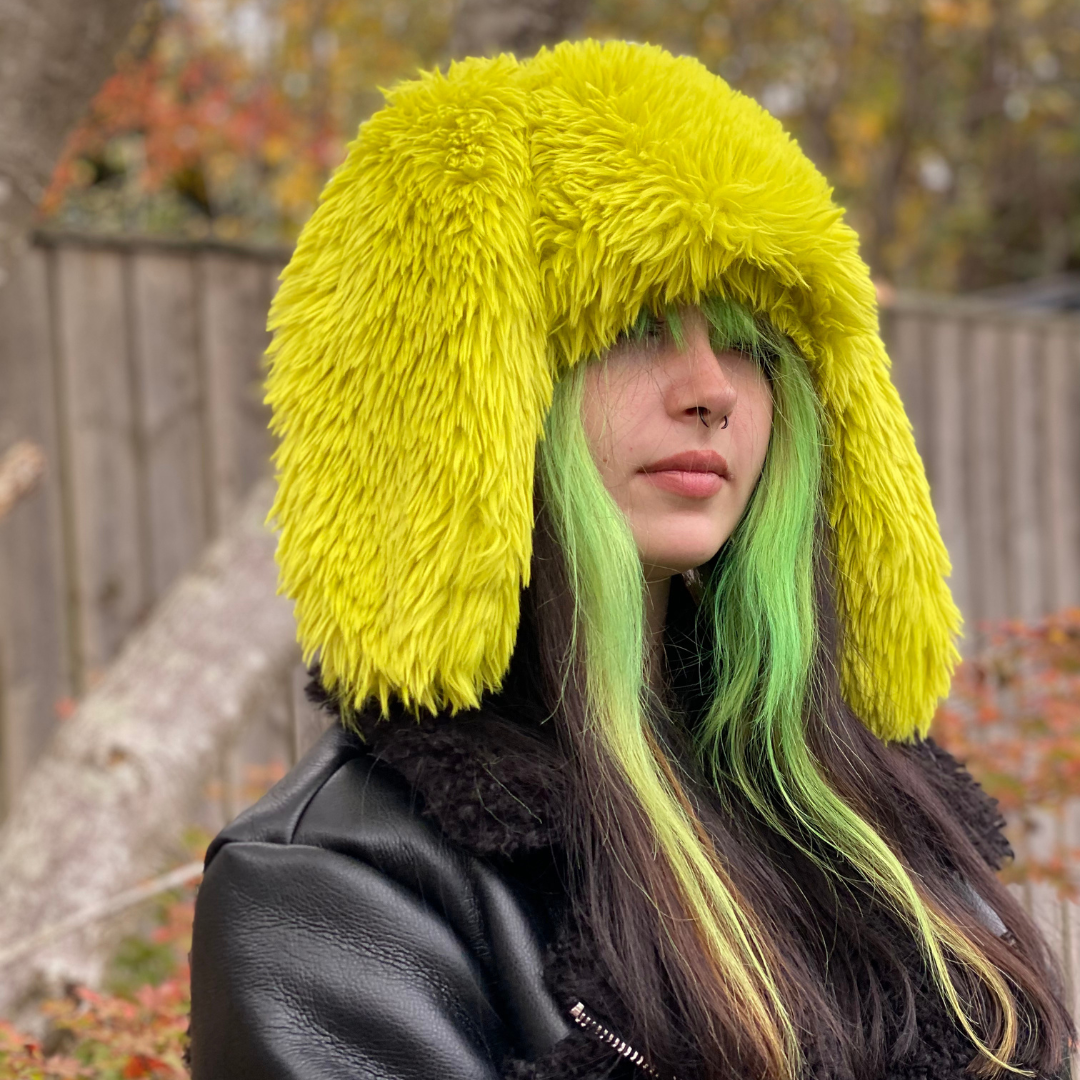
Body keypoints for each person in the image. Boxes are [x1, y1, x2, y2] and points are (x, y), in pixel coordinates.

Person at [188, 38, 1074, 1080]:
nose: (713, 389)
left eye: (749, 340)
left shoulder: (863, 804)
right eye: (637, 326)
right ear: (468, 388)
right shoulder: (330, 891)